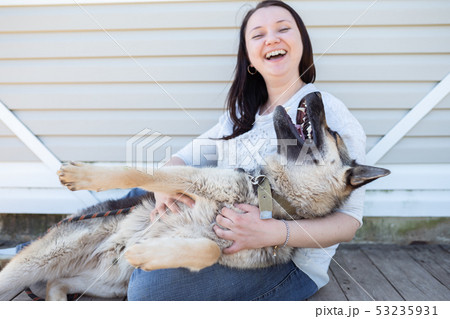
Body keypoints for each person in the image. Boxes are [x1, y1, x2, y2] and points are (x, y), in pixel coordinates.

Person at [126, 0, 366, 301]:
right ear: (250, 59)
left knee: (149, 290)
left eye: (283, 29)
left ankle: (125, 263)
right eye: (258, 34)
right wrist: (164, 185)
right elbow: (185, 157)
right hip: (212, 229)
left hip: (282, 262)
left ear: (302, 42)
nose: (272, 38)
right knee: (136, 192)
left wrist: (274, 233)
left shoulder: (326, 113)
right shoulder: (242, 113)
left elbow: (349, 224)